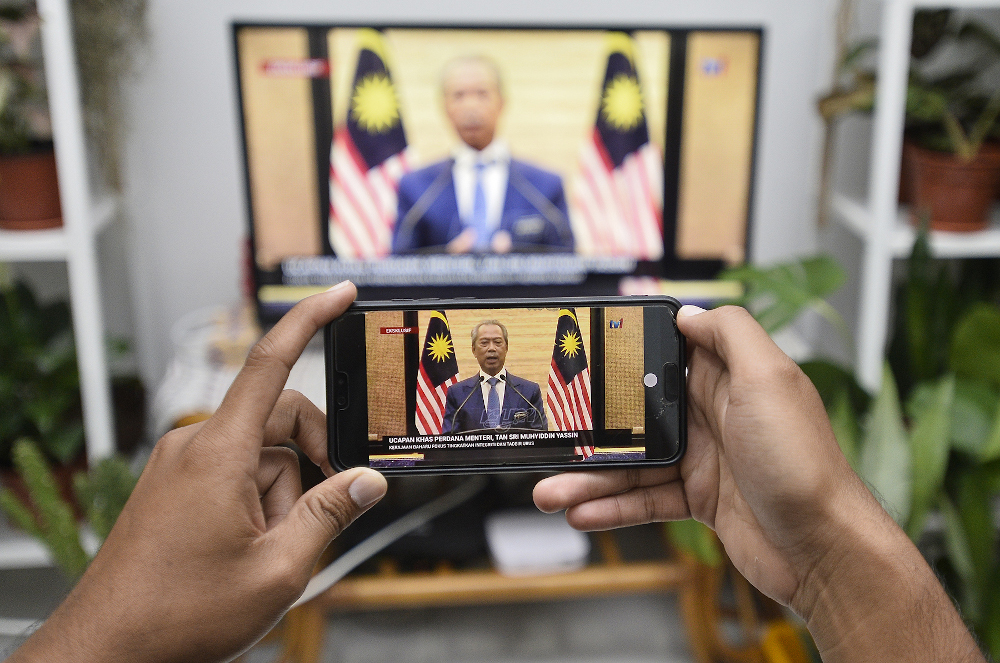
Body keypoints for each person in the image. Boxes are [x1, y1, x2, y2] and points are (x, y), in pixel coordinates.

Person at [8, 284, 986, 663]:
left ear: (499, 352)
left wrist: (819, 550)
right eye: (472, 340)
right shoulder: (444, 407)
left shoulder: (525, 400)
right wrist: (825, 557)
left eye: (490, 340)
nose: (482, 350)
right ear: (460, 352)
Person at [391, 55, 575, 255]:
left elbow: (569, 263)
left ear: (502, 102)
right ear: (445, 106)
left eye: (482, 94)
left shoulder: (544, 186)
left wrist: (519, 261)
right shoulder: (417, 188)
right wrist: (444, 264)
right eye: (459, 95)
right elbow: (399, 267)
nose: (471, 106)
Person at [441, 320, 547, 434]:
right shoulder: (458, 394)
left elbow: (540, 438)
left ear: (506, 348)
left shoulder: (528, 391)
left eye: (497, 342)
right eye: (484, 343)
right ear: (474, 350)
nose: (491, 348)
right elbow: (449, 441)